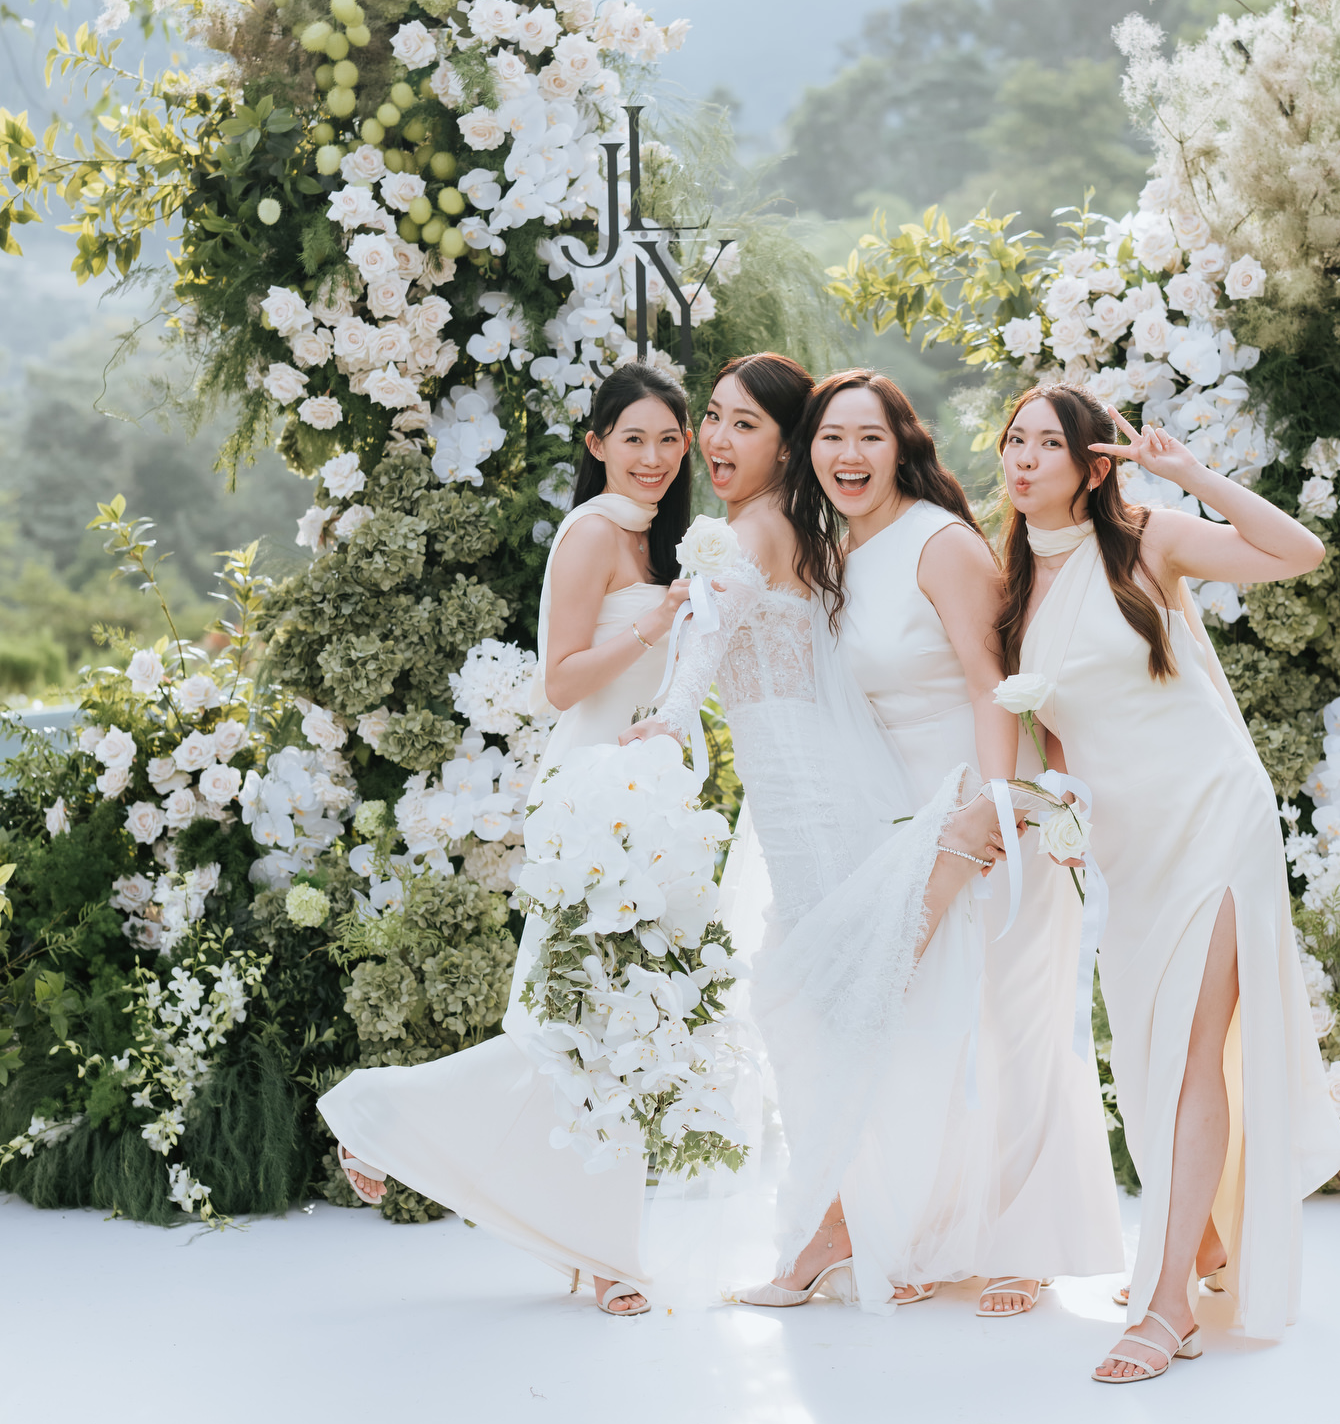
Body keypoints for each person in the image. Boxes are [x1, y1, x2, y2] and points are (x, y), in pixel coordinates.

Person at [624, 353, 1014, 1312]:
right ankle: (849, 1224)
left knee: (818, 1001)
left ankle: (840, 1231)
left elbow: (706, 639)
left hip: (814, 792)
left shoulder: (757, 532)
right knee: (818, 1003)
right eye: (714, 417)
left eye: (745, 423)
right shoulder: (815, 532)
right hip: (801, 791)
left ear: (783, 445)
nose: (717, 438)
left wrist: (669, 720)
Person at [318, 361, 694, 1317]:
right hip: (588, 795)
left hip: (641, 796)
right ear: (597, 444)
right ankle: (383, 1112)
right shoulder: (594, 532)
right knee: (575, 1020)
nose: (653, 457)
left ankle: (592, 1245)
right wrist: (656, 626)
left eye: (668, 439)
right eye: (634, 439)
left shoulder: (660, 539)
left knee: (611, 1022)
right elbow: (559, 683)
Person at [996, 384, 1340, 1381]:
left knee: (1191, 1052)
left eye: (1047, 444)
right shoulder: (1011, 582)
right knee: (1147, 1055)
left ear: (1091, 465)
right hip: (1125, 848)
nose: (1023, 459)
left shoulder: (1148, 539)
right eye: (1014, 441)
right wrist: (1059, 815)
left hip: (1212, 816)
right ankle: (1200, 1242)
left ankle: (1166, 1308)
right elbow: (1053, 729)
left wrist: (1191, 476)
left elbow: (1297, 553)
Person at [787, 369, 1124, 1317]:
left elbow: (995, 683)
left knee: (1017, 1023)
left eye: (870, 436)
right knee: (937, 1026)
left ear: (904, 446)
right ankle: (936, 1228)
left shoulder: (941, 544)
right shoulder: (842, 553)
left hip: (988, 802)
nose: (849, 455)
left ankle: (1031, 1245)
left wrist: (993, 807)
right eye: (831, 437)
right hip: (905, 820)